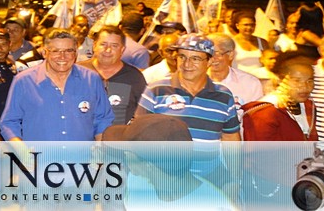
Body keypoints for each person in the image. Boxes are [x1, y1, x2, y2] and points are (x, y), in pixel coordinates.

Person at [135, 33, 241, 202]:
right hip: (166, 183)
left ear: (210, 61)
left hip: (211, 180)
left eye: (195, 59)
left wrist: (235, 179)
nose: (187, 64)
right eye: (182, 57)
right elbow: (137, 136)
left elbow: (231, 138)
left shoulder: (223, 95)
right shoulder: (157, 89)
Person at [0, 28, 114, 141]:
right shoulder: (23, 81)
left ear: (76, 53)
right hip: (38, 158)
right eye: (56, 51)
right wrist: (23, 153)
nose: (62, 56)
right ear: (45, 53)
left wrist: (101, 150)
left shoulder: (91, 79)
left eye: (68, 51)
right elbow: (9, 123)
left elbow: (103, 119)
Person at [102, 115, 236, 211]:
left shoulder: (212, 206)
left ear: (148, 165)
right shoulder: (137, 182)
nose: (124, 156)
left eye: (127, 153)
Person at [78, 25, 147, 125]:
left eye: (114, 45)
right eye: (103, 44)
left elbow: (142, 116)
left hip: (118, 139)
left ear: (122, 49)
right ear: (94, 46)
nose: (108, 50)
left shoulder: (134, 77)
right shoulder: (77, 72)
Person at [242, 52, 317, 141]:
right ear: (280, 80)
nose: (305, 87)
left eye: (310, 81)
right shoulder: (264, 112)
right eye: (297, 81)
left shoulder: (308, 105)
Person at [206, 33, 264, 118]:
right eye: (208, 53)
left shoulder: (250, 83)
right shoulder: (194, 81)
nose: (212, 58)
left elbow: (256, 117)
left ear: (231, 55)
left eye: (217, 53)